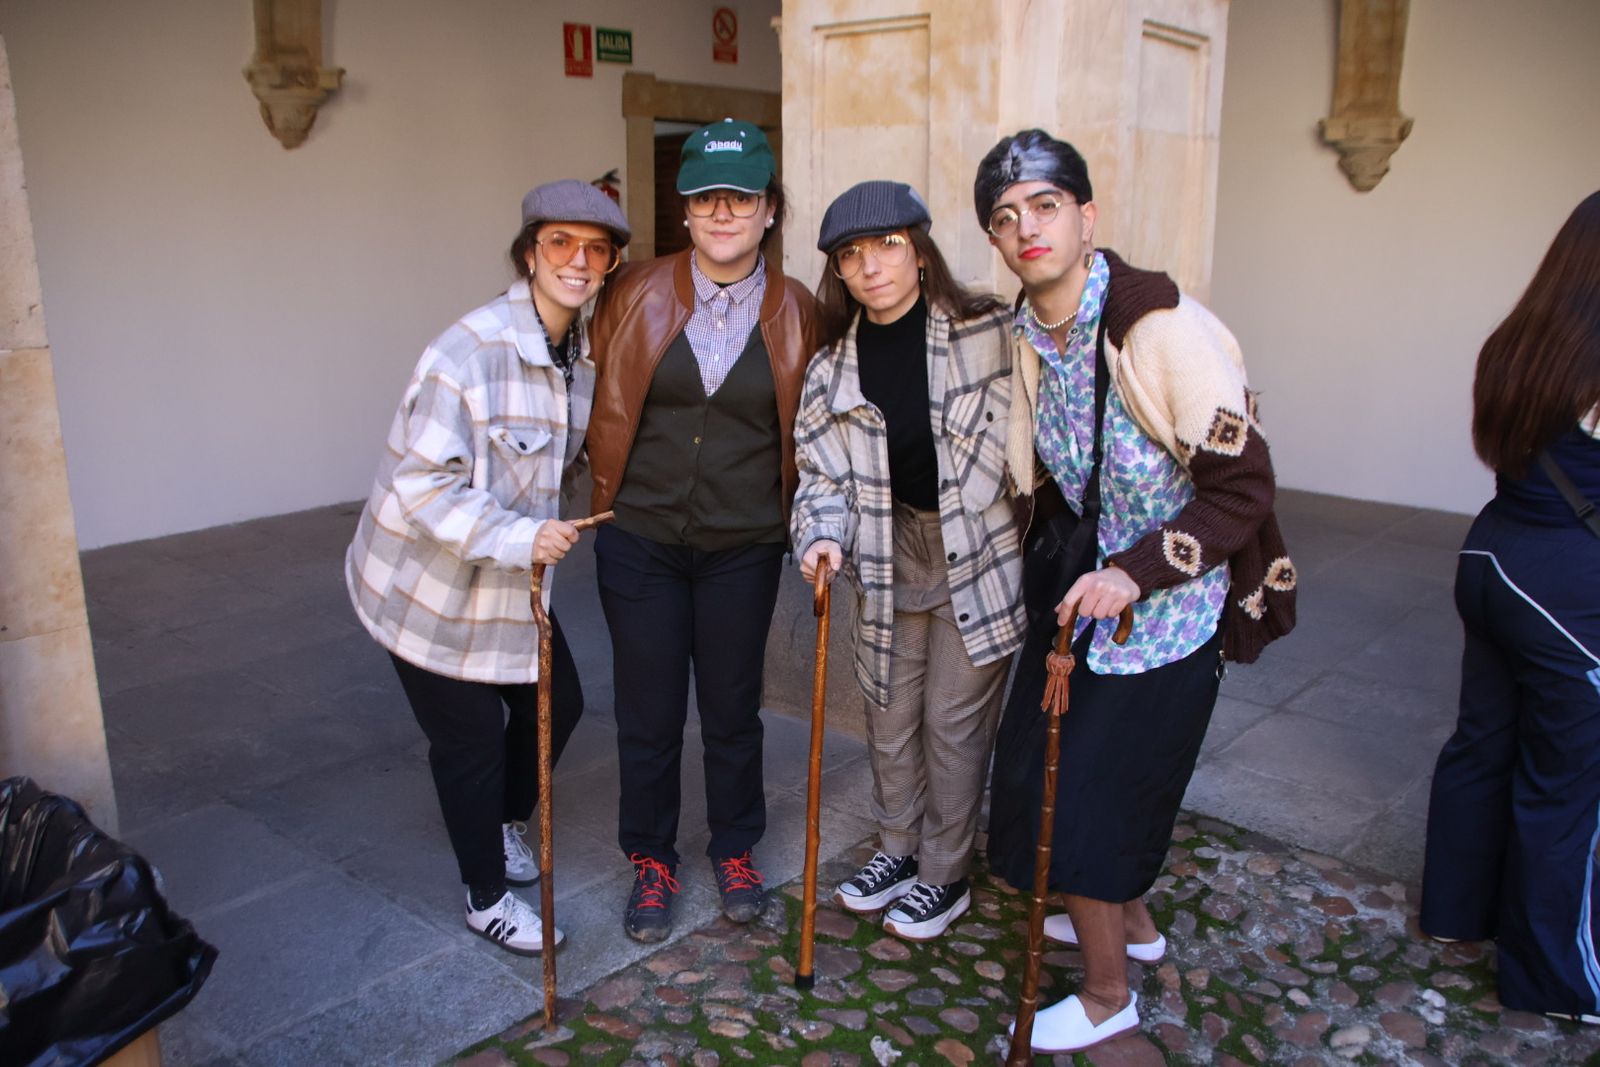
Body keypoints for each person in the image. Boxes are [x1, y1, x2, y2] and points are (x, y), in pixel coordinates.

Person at [976, 130, 1296, 1053]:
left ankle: (1110, 992)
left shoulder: (1160, 328)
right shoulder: (1036, 331)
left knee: (1084, 798)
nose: (1025, 227)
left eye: (1043, 205)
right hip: (1089, 600)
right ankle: (1138, 930)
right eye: (1005, 217)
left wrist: (1136, 571)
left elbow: (1245, 485)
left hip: (1169, 614)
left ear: (1086, 215)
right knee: (1072, 775)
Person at [345, 180, 629, 956]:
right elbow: (422, 486)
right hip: (425, 584)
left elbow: (552, 467)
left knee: (560, 701)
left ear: (608, 266)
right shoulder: (469, 350)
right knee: (468, 737)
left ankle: (503, 822)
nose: (578, 260)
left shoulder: (578, 355)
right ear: (530, 252)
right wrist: (523, 540)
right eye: (561, 243)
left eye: (596, 248)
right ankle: (485, 896)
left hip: (506, 585)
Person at [586, 119, 819, 942]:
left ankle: (735, 847)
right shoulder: (631, 293)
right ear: (685, 212)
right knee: (647, 712)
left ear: (769, 212)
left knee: (730, 709)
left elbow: (821, 429)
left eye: (742, 198)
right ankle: (651, 857)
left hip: (742, 546)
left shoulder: (800, 313)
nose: (723, 213)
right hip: (640, 536)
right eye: (705, 199)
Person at [791, 180, 1023, 940]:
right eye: (851, 255)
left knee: (951, 724)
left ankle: (945, 872)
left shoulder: (989, 329)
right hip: (889, 554)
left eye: (888, 245)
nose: (871, 267)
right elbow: (821, 475)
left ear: (920, 251)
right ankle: (897, 847)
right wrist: (821, 534)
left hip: (976, 555)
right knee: (889, 715)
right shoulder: (832, 370)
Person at [1420, 191, 1600, 1024]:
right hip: (1569, 589)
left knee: (1482, 746)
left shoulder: (1518, 342)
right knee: (1565, 787)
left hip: (1492, 558)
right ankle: (1555, 980)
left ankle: (1456, 918)